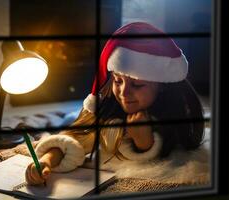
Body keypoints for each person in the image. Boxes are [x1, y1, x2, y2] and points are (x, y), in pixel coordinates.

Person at [25, 22, 205, 185]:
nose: (123, 93)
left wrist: (144, 143)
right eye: (118, 81)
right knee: (72, 118)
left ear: (162, 86)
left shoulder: (177, 113)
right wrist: (47, 159)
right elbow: (77, 136)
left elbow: (172, 154)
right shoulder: (106, 106)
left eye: (137, 84)